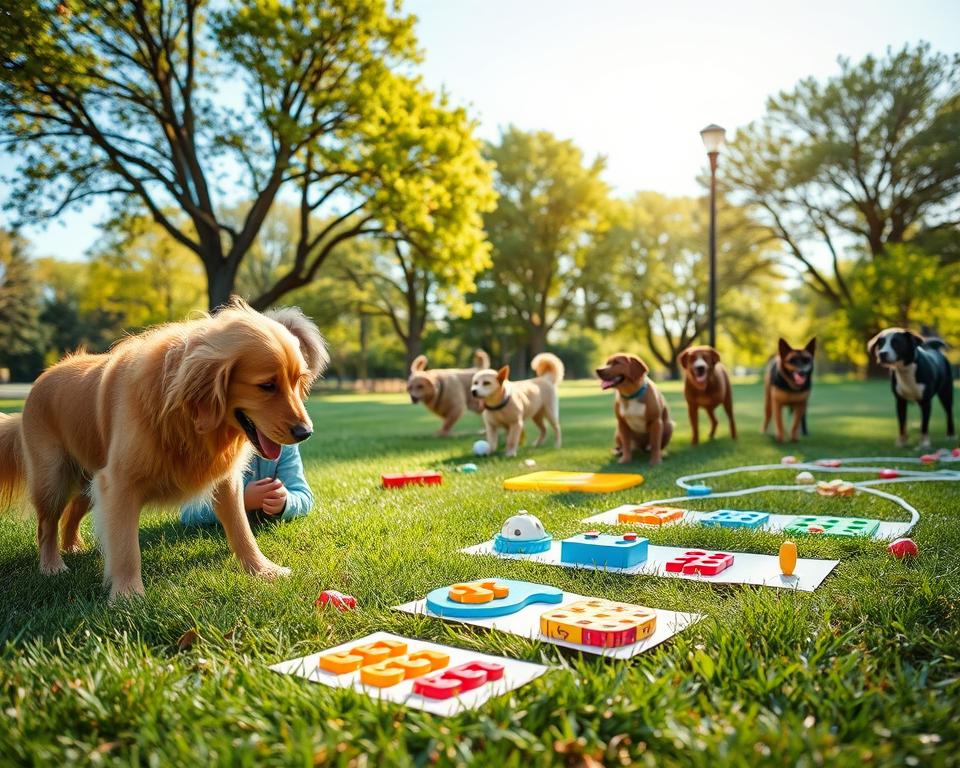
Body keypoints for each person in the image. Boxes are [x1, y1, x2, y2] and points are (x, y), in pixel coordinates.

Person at [180, 444, 314, 526]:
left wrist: (285, 502)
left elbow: (304, 496)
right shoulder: (215, 447)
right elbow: (189, 512)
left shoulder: (285, 445)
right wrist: (241, 501)